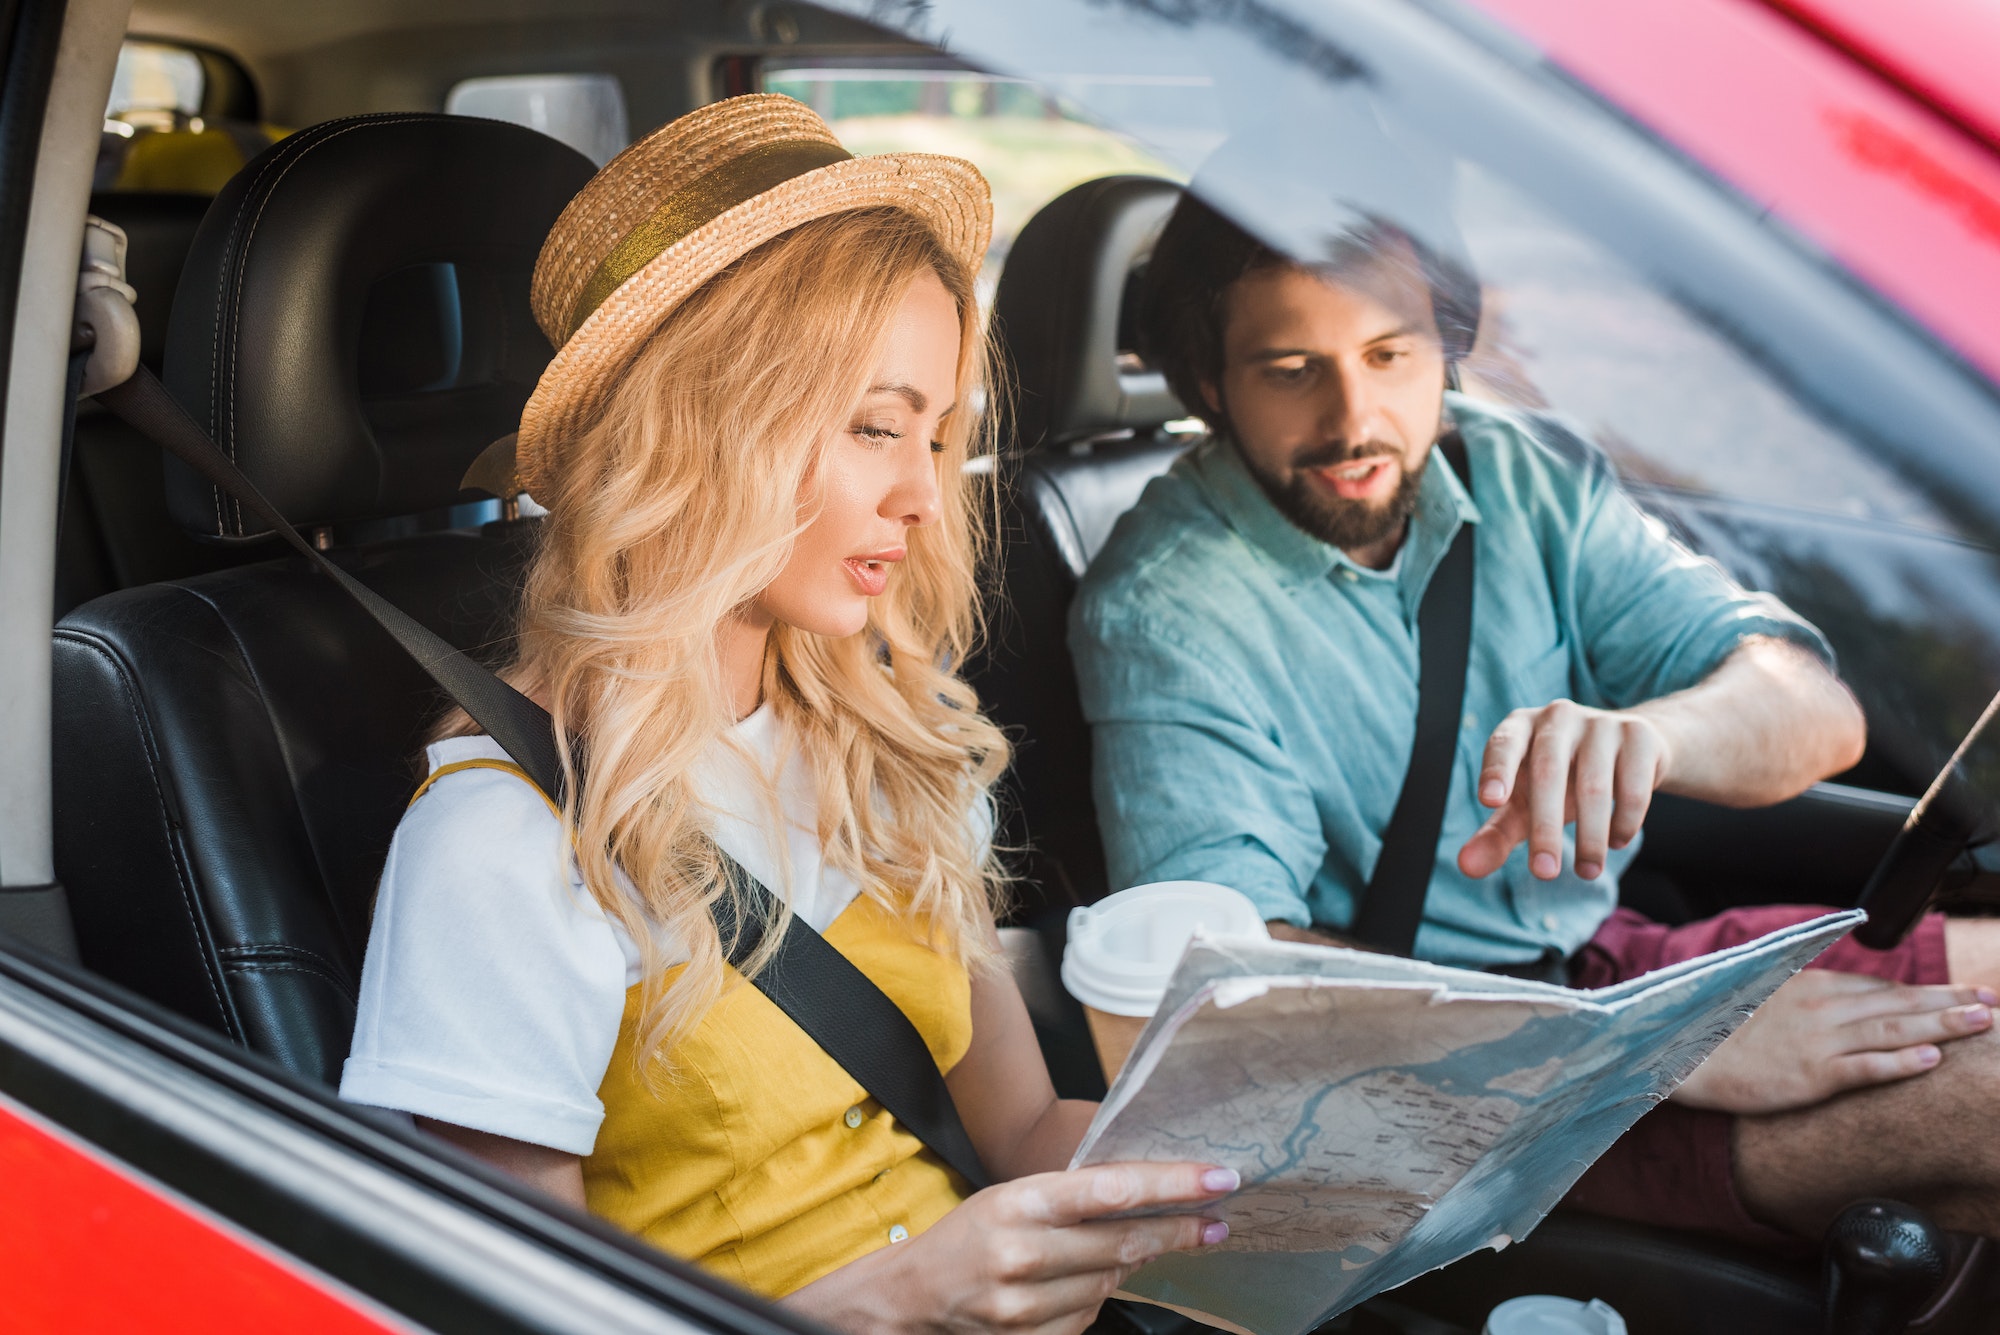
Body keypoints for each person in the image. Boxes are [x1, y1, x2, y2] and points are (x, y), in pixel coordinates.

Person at [339, 96, 1236, 1333]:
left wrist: (1251, 1169)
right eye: (875, 428)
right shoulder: (501, 848)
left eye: (935, 434)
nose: (923, 496)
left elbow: (1023, 1129)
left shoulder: (886, 742)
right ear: (703, 426)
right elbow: (522, 1312)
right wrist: (909, 1295)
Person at [1069, 189, 2000, 1248]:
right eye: (1290, 370)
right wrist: (1657, 1051)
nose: (1352, 420)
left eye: (1389, 355)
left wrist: (1656, 738)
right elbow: (1235, 996)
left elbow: (1810, 709)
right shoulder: (1162, 612)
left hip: (1604, 968)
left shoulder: (1518, 472)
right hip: (1432, 1093)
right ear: (1204, 384)